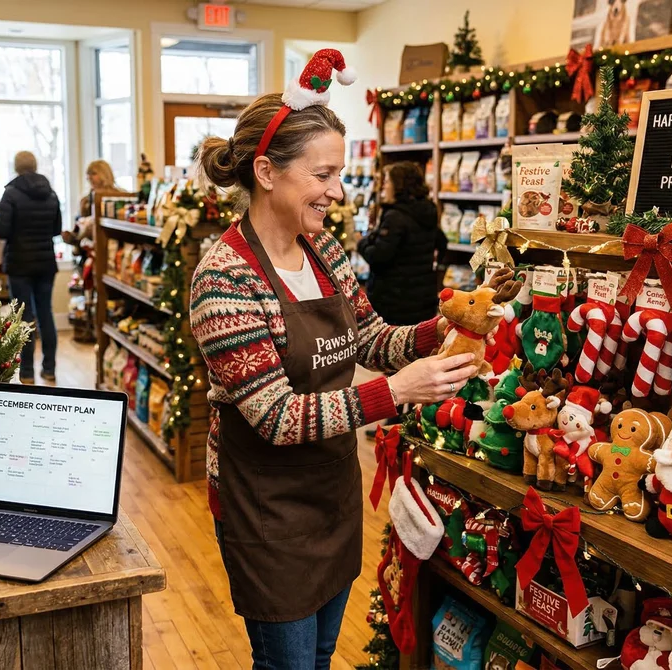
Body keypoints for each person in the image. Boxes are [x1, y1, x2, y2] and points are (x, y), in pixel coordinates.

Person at [189, 49, 475, 670]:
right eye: (322, 175)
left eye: (338, 174)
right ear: (267, 172)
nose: (337, 192)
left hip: (331, 495)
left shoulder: (326, 253)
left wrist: (442, 328)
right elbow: (276, 417)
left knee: (319, 660)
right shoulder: (225, 280)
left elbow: (370, 339)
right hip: (265, 508)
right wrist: (396, 392)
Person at [0, 151, 62, 383]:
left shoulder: (11, 193)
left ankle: (26, 373)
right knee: (46, 314)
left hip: (19, 264)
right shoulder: (50, 193)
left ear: (16, 167)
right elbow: (56, 229)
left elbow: (0, 231)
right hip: (45, 262)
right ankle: (50, 369)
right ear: (34, 165)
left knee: (24, 318)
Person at [357, 161, 446, 325]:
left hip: (394, 301)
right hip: (422, 300)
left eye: (387, 181)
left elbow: (378, 255)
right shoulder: (428, 211)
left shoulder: (395, 217)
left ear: (398, 185)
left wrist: (361, 243)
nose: (384, 186)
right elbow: (442, 243)